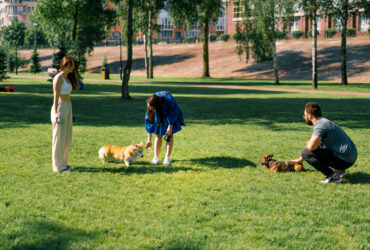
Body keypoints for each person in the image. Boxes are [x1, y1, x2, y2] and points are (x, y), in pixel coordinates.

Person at [293, 102, 357, 183]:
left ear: (309, 115)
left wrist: (308, 144)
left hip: (345, 160)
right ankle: (339, 171)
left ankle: (333, 176)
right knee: (317, 146)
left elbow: (311, 147)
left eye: (305, 115)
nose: (304, 117)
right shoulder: (324, 122)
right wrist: (299, 160)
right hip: (350, 156)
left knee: (305, 152)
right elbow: (317, 146)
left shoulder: (320, 126)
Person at [51, 56, 79, 172]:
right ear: (66, 65)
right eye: (72, 65)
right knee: (59, 136)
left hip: (68, 106)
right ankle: (57, 166)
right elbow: (56, 97)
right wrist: (56, 113)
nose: (74, 68)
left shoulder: (67, 78)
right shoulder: (59, 78)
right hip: (60, 106)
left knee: (67, 136)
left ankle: (64, 163)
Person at [145, 91, 185, 166]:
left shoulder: (169, 99)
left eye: (153, 109)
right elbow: (149, 121)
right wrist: (149, 140)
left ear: (157, 106)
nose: (151, 110)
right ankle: (155, 158)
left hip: (171, 114)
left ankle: (167, 158)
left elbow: (173, 113)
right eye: (150, 108)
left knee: (169, 136)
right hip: (159, 114)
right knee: (158, 135)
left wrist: (170, 126)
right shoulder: (150, 102)